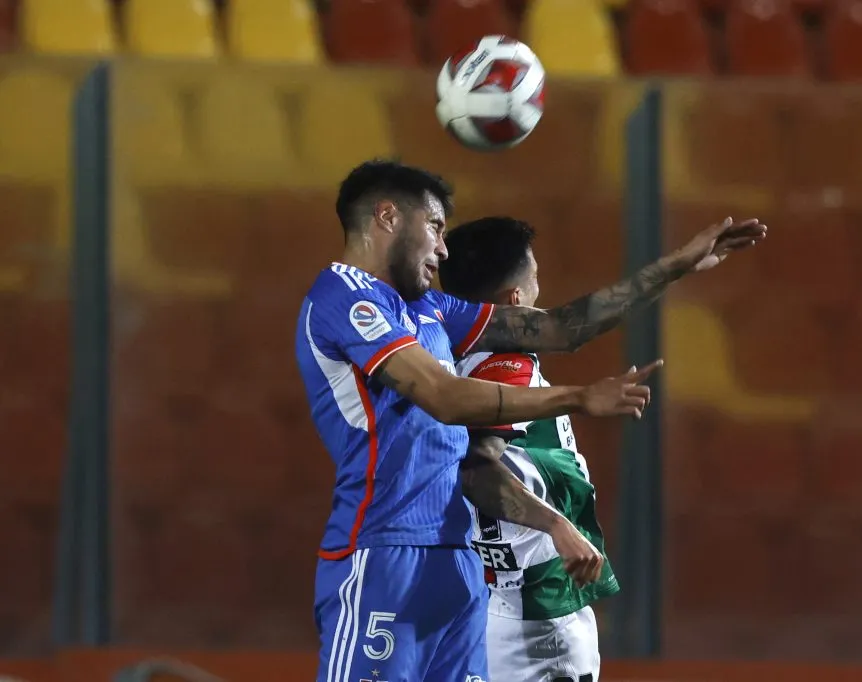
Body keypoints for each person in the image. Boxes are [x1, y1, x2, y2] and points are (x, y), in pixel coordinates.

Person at [295, 160, 766, 682]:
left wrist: (676, 265)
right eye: (435, 227)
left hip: (459, 562)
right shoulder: (342, 296)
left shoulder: (430, 309)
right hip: (384, 554)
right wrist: (578, 397)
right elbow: (444, 396)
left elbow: (561, 328)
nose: (443, 249)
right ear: (387, 216)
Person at [438, 216, 621, 682]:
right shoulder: (507, 367)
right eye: (536, 278)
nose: (543, 290)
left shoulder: (443, 357)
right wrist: (559, 526)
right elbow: (477, 467)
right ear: (515, 300)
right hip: (536, 609)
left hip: (491, 592)